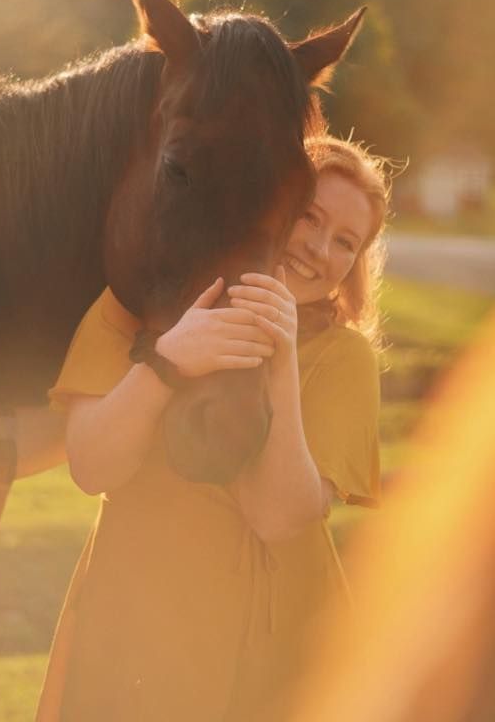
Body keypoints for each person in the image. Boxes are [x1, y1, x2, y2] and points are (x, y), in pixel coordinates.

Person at [36, 136, 390, 722]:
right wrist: (169, 363)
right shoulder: (132, 302)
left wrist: (278, 364)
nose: (320, 249)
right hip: (133, 616)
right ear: (265, 201)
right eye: (310, 216)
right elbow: (92, 467)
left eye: (346, 243)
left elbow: (277, 514)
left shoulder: (344, 359)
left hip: (270, 640)